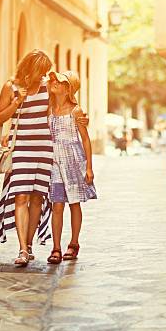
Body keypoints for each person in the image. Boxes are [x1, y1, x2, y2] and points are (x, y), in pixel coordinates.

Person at [0, 49, 87, 266]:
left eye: (45, 71)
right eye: (41, 71)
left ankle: (29, 245)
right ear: (30, 68)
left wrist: (82, 116)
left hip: (46, 149)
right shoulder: (12, 86)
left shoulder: (47, 85)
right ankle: (22, 249)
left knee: (37, 199)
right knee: (21, 196)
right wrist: (17, 102)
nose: (44, 75)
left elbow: (66, 101)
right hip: (22, 150)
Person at [46, 70, 97, 264]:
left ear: (68, 89)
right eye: (54, 81)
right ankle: (56, 247)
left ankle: (74, 243)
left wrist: (89, 167)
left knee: (74, 203)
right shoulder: (49, 108)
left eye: (59, 82)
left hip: (74, 161)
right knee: (56, 204)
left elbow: (85, 139)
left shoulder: (76, 111)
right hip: (55, 162)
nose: (54, 83)